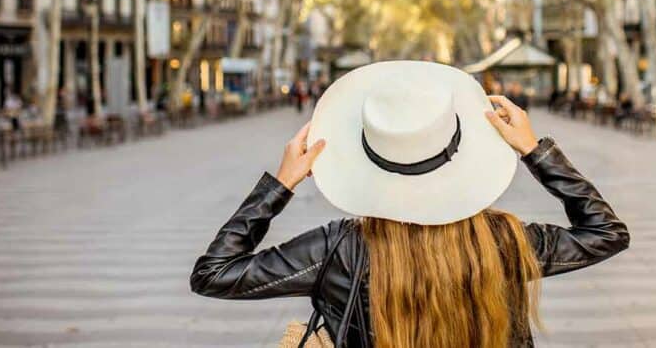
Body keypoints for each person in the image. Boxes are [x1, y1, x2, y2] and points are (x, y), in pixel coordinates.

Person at [191, 60, 629, 347]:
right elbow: (607, 233)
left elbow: (214, 274)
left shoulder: (338, 249)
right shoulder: (505, 241)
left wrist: (281, 184)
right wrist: (536, 151)